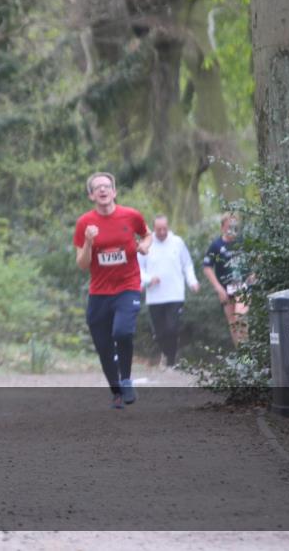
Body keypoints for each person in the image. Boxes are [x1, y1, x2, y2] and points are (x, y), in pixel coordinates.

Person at [74, 172, 152, 409]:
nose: (103, 190)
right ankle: (116, 392)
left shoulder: (131, 216)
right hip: (99, 292)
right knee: (104, 346)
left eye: (107, 186)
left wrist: (144, 247)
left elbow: (146, 234)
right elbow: (82, 264)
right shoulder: (84, 223)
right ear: (91, 195)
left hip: (127, 286)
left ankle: (126, 379)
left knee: (122, 333)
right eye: (97, 188)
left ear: (114, 192)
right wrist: (88, 242)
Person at [137, 215, 200, 368]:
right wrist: (148, 279)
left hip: (175, 294)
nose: (162, 232)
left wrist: (192, 281)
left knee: (172, 328)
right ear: (154, 229)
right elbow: (138, 268)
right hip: (155, 296)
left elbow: (187, 265)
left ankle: (170, 361)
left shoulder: (177, 242)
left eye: (165, 228)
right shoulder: (147, 244)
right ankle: (166, 353)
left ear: (168, 227)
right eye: (159, 229)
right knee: (159, 332)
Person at [202, 213, 249, 346]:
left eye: (234, 227)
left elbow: (258, 256)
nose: (232, 230)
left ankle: (246, 354)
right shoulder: (216, 245)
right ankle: (242, 356)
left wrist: (253, 275)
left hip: (243, 286)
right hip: (226, 289)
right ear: (222, 227)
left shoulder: (242, 242)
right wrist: (218, 288)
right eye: (229, 227)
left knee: (240, 315)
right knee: (233, 322)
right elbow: (207, 267)